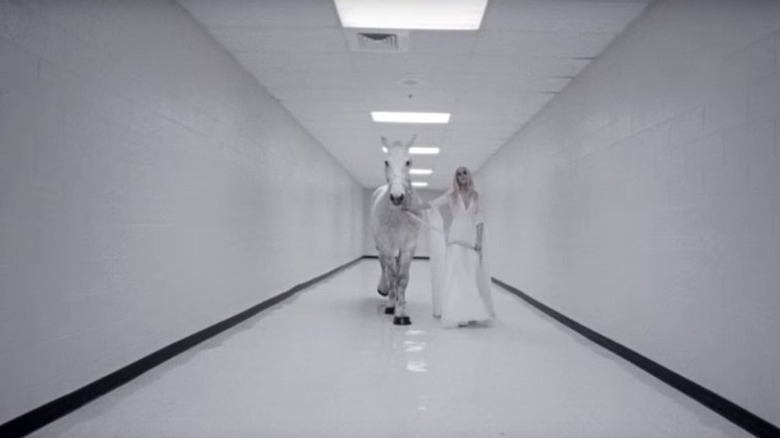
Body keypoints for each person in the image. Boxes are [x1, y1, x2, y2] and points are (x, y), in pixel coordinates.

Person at [410, 166, 495, 328]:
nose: (462, 175)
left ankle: (472, 311)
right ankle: (458, 313)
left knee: (470, 275)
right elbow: (433, 204)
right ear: (456, 178)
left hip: (470, 237)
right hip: (456, 236)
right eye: (458, 174)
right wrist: (412, 207)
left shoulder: (476, 196)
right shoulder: (452, 195)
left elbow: (479, 219)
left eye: (464, 172)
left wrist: (479, 241)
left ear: (469, 176)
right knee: (457, 275)